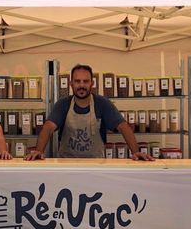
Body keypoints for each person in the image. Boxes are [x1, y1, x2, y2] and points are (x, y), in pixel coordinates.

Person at [25, 64, 154, 161]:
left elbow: (123, 127)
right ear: (71, 84)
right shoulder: (63, 104)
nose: (81, 85)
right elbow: (47, 128)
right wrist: (38, 151)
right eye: (77, 81)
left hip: (96, 166)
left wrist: (135, 152)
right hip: (66, 164)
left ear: (92, 83)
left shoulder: (102, 103)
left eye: (85, 81)